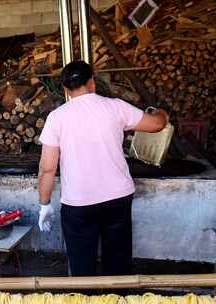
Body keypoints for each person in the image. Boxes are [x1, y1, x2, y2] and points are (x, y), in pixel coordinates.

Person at [37, 60, 168, 276]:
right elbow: (156, 124)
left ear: (65, 89)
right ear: (92, 82)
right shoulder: (115, 106)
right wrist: (162, 113)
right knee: (118, 264)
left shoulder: (56, 118)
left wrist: (44, 204)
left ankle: (85, 299)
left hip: (78, 203)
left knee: (81, 266)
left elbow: (47, 169)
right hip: (118, 198)